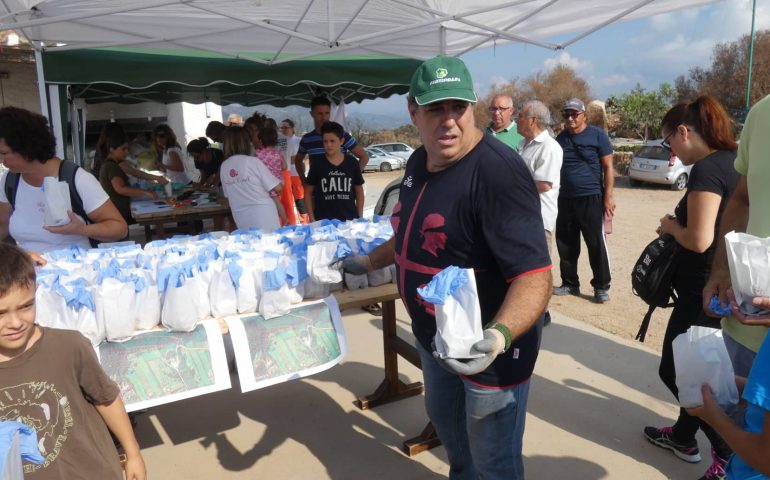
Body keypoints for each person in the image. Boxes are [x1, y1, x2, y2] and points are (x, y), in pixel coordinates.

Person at [341, 55, 552, 479]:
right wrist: (369, 261)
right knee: (453, 436)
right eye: (436, 109)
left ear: (472, 107)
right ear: (413, 112)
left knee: (494, 461)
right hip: (434, 341)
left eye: (458, 107)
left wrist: (499, 333)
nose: (449, 121)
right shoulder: (419, 163)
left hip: (488, 354)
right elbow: (410, 230)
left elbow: (536, 276)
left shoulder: (498, 174)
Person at [641, 96, 739, 480]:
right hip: (721, 288)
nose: (671, 150)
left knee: (677, 370)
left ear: (684, 132)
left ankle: (726, 451)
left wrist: (670, 226)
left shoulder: (705, 171)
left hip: (703, 286)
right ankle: (683, 436)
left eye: (669, 142)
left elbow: (699, 239)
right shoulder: (734, 162)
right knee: (699, 370)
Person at [0, 242, 147, 479]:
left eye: (26, 305)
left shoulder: (69, 347)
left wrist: (133, 453)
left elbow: (106, 399)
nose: (16, 322)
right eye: (1, 313)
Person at [703, 94, 770, 379]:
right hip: (745, 331)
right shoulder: (761, 112)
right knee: (732, 419)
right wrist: (720, 269)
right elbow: (742, 199)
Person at [0, 107, 127, 253]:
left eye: (4, 153)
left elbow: (120, 228)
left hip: (75, 271)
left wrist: (83, 229)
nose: (1, 160)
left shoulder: (77, 179)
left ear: (26, 147)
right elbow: (3, 225)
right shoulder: (9, 181)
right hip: (29, 272)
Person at [553, 97, 615, 303]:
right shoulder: (560, 139)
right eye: (566, 115)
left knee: (596, 243)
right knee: (566, 244)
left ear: (584, 115)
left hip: (591, 197)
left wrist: (608, 197)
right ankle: (570, 283)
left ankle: (601, 286)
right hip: (565, 199)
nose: (570, 118)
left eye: (574, 114)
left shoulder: (597, 136)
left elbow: (608, 168)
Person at [516, 99, 563, 327]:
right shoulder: (524, 144)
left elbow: (544, 184)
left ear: (533, 120)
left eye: (520, 115)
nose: (517, 119)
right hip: (521, 217)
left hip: (539, 219)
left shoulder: (550, 147)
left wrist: (511, 185)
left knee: (540, 267)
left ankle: (542, 312)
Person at [293, 96, 369, 184]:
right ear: (312, 114)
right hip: (316, 191)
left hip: (340, 190)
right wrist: (304, 182)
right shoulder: (307, 139)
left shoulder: (341, 135)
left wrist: (352, 178)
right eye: (320, 113)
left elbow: (364, 157)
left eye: (327, 113)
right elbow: (298, 160)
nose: (324, 117)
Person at [219, 126, 283, 231]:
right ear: (246, 142)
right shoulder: (253, 162)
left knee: (250, 245)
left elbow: (227, 194)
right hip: (264, 214)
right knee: (270, 244)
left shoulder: (224, 166)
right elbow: (278, 188)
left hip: (241, 216)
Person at [98, 123, 158, 227]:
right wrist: (145, 192)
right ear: (112, 149)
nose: (127, 152)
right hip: (119, 214)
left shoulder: (111, 163)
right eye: (123, 149)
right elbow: (120, 189)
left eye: (127, 149)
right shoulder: (112, 166)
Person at [304, 121, 364, 223]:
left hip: (349, 220)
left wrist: (360, 216)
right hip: (324, 221)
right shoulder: (317, 164)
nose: (328, 145)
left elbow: (359, 190)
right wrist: (312, 217)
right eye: (325, 141)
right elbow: (308, 192)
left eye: (332, 141)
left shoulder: (352, 162)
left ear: (341, 141)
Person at [256, 127, 292, 225]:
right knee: (276, 200)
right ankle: (284, 219)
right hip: (278, 181)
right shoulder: (278, 153)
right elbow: (284, 167)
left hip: (266, 183)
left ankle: (277, 219)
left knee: (269, 201)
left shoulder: (258, 154)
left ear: (260, 140)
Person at [279, 119, 309, 224]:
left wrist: (293, 159)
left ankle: (304, 221)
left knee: (299, 199)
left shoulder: (299, 140)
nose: (283, 130)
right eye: (281, 127)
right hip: (284, 173)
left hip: (296, 173)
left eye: (286, 127)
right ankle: (289, 221)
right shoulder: (279, 141)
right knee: (287, 200)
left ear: (292, 129)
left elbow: (301, 158)